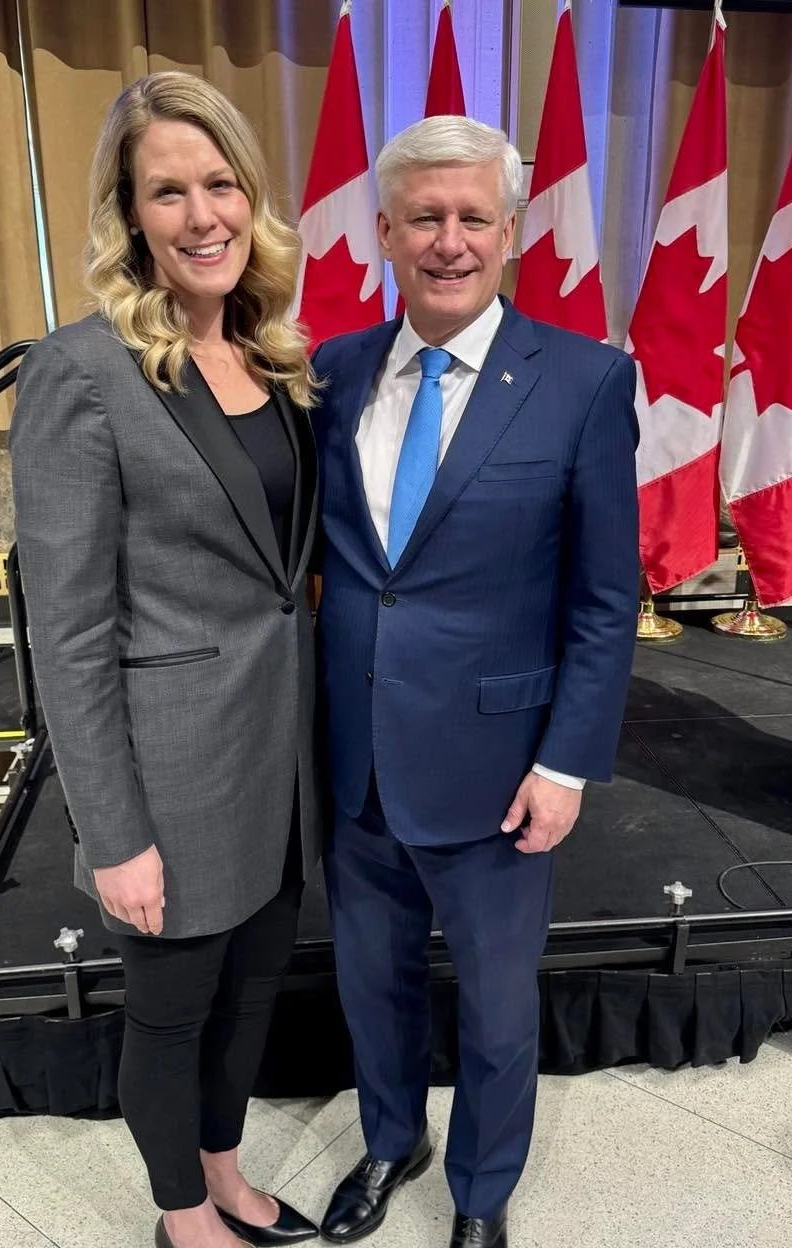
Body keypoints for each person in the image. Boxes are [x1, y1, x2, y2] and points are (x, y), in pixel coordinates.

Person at [311, 115, 640, 1248]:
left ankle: (479, 1195)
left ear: (507, 232)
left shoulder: (586, 382)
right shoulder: (332, 370)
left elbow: (603, 598)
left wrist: (565, 763)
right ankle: (389, 1141)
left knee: (498, 1011)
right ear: (383, 232)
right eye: (422, 219)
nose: (446, 241)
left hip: (502, 773)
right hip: (352, 761)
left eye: (470, 219)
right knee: (374, 989)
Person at [10, 72, 321, 1248]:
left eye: (220, 184)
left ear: (250, 197)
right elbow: (72, 630)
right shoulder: (81, 372)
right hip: (175, 773)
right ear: (129, 216)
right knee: (173, 1011)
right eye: (167, 192)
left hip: (279, 755)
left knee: (251, 995)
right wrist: (113, 831)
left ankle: (228, 1172)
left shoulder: (274, 353)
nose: (203, 216)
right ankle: (182, 1217)